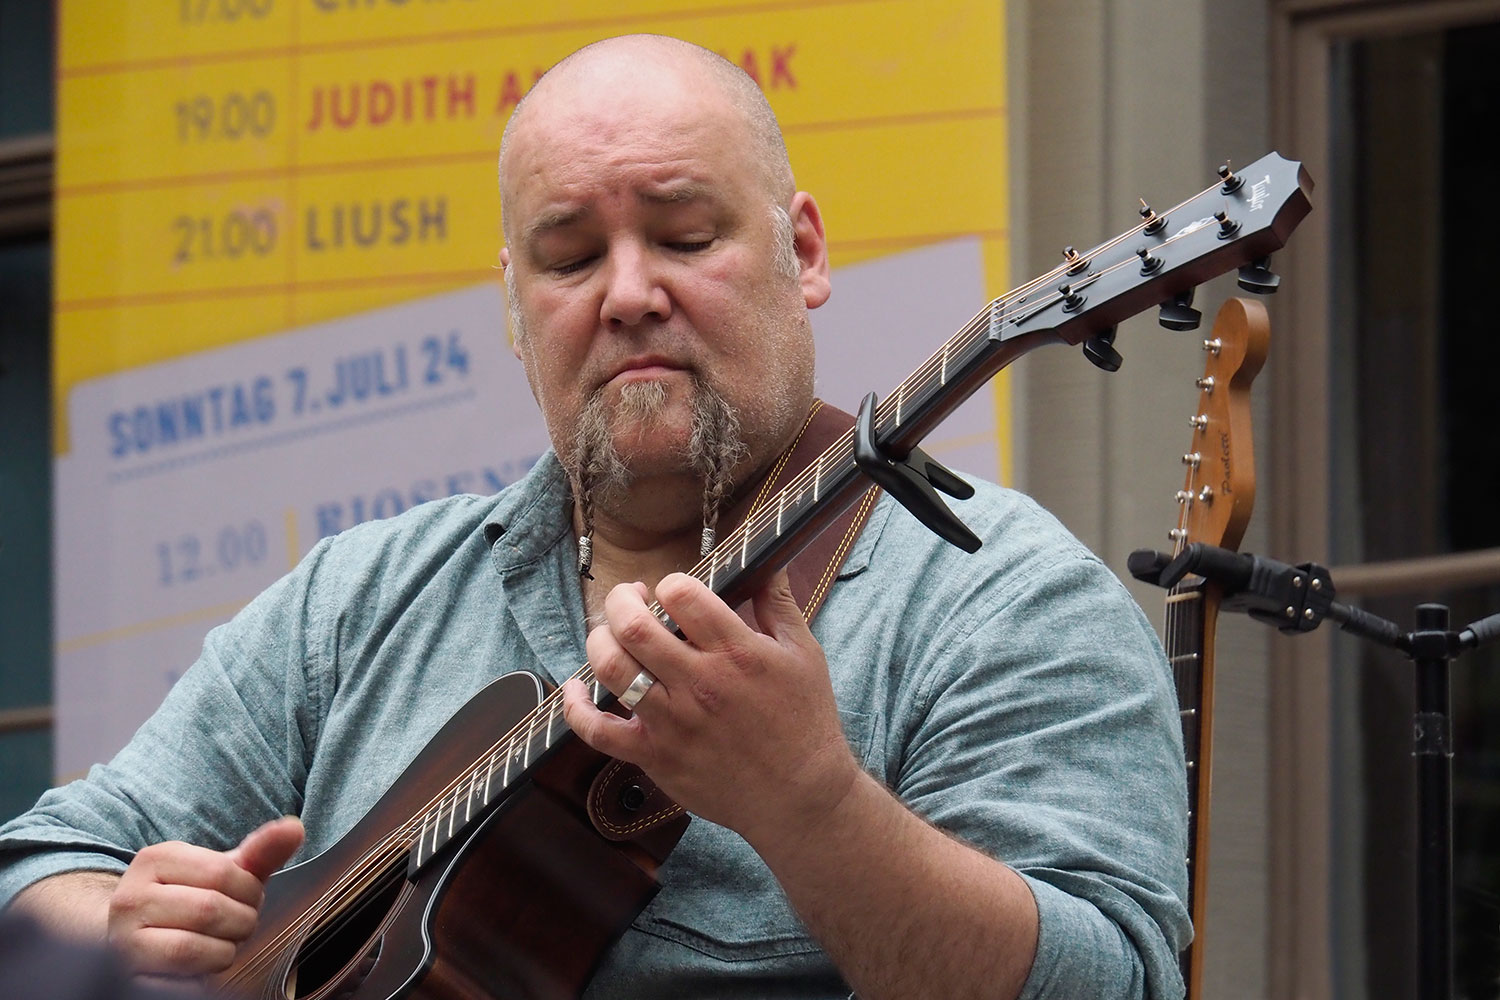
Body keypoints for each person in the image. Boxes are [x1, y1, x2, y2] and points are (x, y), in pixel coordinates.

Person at [0, 34, 1190, 1000]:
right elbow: (36, 872)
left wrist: (811, 802)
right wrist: (121, 919)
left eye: (685, 235)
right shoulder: (355, 603)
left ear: (805, 249)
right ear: (515, 309)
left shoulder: (1006, 597)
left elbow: (1111, 983)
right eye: (569, 257)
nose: (629, 294)